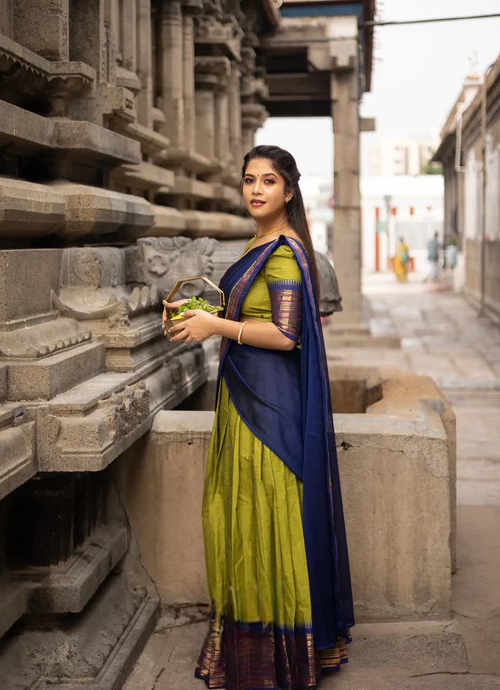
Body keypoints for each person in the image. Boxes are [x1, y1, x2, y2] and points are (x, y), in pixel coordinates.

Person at [162, 145, 354, 690]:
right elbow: (246, 314)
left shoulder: (284, 254)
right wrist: (194, 316)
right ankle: (258, 642)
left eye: (268, 181)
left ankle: (274, 654)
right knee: (241, 516)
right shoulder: (258, 243)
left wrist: (215, 329)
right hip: (246, 394)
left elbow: (286, 336)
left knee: (263, 515)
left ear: (289, 191)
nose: (256, 190)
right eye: (249, 180)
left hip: (268, 407)